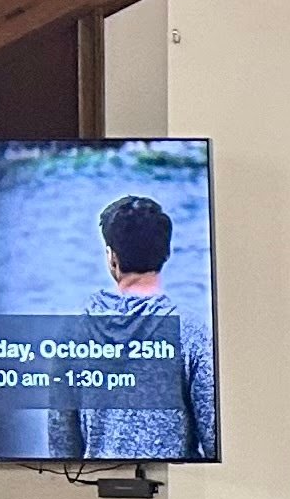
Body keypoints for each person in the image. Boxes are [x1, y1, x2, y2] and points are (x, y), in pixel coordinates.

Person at [41, 193, 217, 460]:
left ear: (112, 257)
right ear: (166, 253)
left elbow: (62, 444)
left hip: (94, 483)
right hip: (177, 484)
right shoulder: (190, 331)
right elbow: (214, 437)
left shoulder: (74, 331)